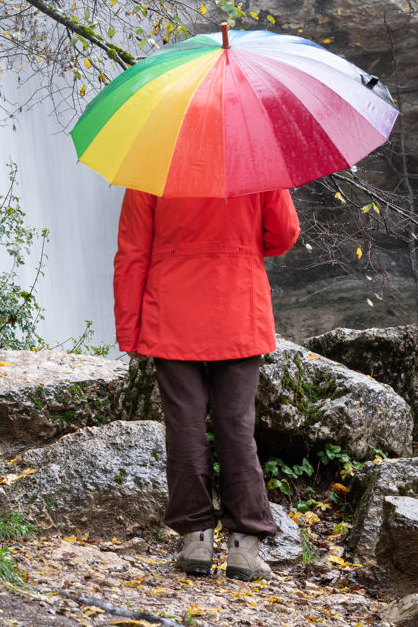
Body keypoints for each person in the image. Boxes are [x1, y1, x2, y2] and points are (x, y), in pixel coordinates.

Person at [113, 188, 300, 580]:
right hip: (237, 305)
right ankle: (243, 546)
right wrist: (241, 248)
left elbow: (133, 251)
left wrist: (129, 329)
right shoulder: (255, 160)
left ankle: (196, 537)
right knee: (236, 425)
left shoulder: (152, 159)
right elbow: (283, 234)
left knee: (184, 426)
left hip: (173, 311)